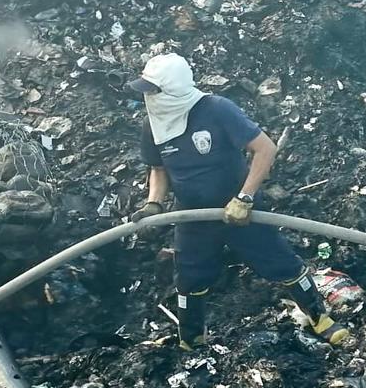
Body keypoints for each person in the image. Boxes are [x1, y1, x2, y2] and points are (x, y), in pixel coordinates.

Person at [127, 52, 349, 350]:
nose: (149, 98)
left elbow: (265, 149)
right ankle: (190, 340)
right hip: (192, 218)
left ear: (173, 89)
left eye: (154, 90)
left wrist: (244, 197)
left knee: (281, 263)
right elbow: (158, 169)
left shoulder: (216, 110)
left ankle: (320, 318)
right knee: (190, 280)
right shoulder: (152, 123)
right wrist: (154, 203)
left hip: (241, 211)